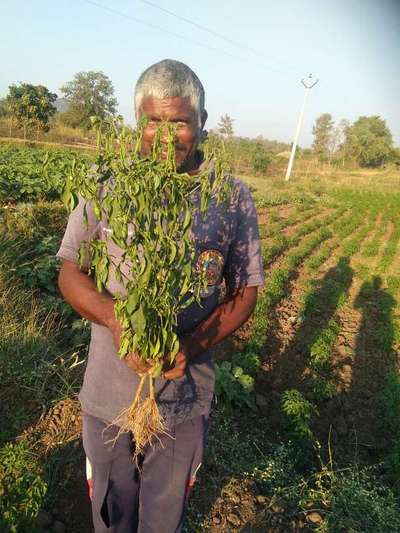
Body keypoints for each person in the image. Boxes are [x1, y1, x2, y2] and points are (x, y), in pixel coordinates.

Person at [56, 59, 264, 533]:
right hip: (110, 398)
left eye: (179, 122)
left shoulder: (230, 196)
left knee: (163, 519)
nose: (166, 136)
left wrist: (188, 347)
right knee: (112, 513)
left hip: (183, 403)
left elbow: (246, 291)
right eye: (153, 122)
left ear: (202, 123)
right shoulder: (108, 188)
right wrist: (114, 318)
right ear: (138, 124)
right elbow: (71, 273)